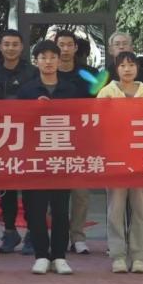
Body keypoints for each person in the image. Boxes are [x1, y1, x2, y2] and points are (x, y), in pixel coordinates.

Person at [16, 40, 76, 275]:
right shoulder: (27, 90)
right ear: (36, 61)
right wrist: (34, 109)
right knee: (36, 209)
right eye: (43, 57)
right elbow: (17, 122)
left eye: (53, 57)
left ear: (59, 61)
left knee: (61, 210)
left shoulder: (70, 89)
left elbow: (81, 119)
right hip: (35, 158)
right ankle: (41, 254)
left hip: (62, 156)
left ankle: (59, 255)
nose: (48, 62)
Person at [96, 51, 143, 275]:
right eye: (122, 65)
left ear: (137, 68)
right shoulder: (106, 92)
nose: (127, 69)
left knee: (141, 209)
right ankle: (118, 255)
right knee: (115, 209)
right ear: (116, 69)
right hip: (115, 158)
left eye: (131, 65)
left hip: (141, 158)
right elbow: (98, 123)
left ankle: (139, 257)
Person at [55, 29, 100, 254]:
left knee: (81, 193)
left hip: (82, 140)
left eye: (69, 45)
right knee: (56, 194)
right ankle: (58, 236)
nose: (65, 49)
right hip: (53, 140)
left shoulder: (89, 73)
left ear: (75, 48)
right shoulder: (46, 72)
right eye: (60, 45)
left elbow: (101, 101)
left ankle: (78, 236)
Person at [0, 29, 35, 254]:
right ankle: (9, 232)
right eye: (6, 44)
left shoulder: (32, 72)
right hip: (1, 137)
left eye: (15, 44)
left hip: (28, 137)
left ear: (21, 47)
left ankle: (32, 233)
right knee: (6, 189)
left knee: (29, 188)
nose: (10, 48)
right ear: (0, 47)